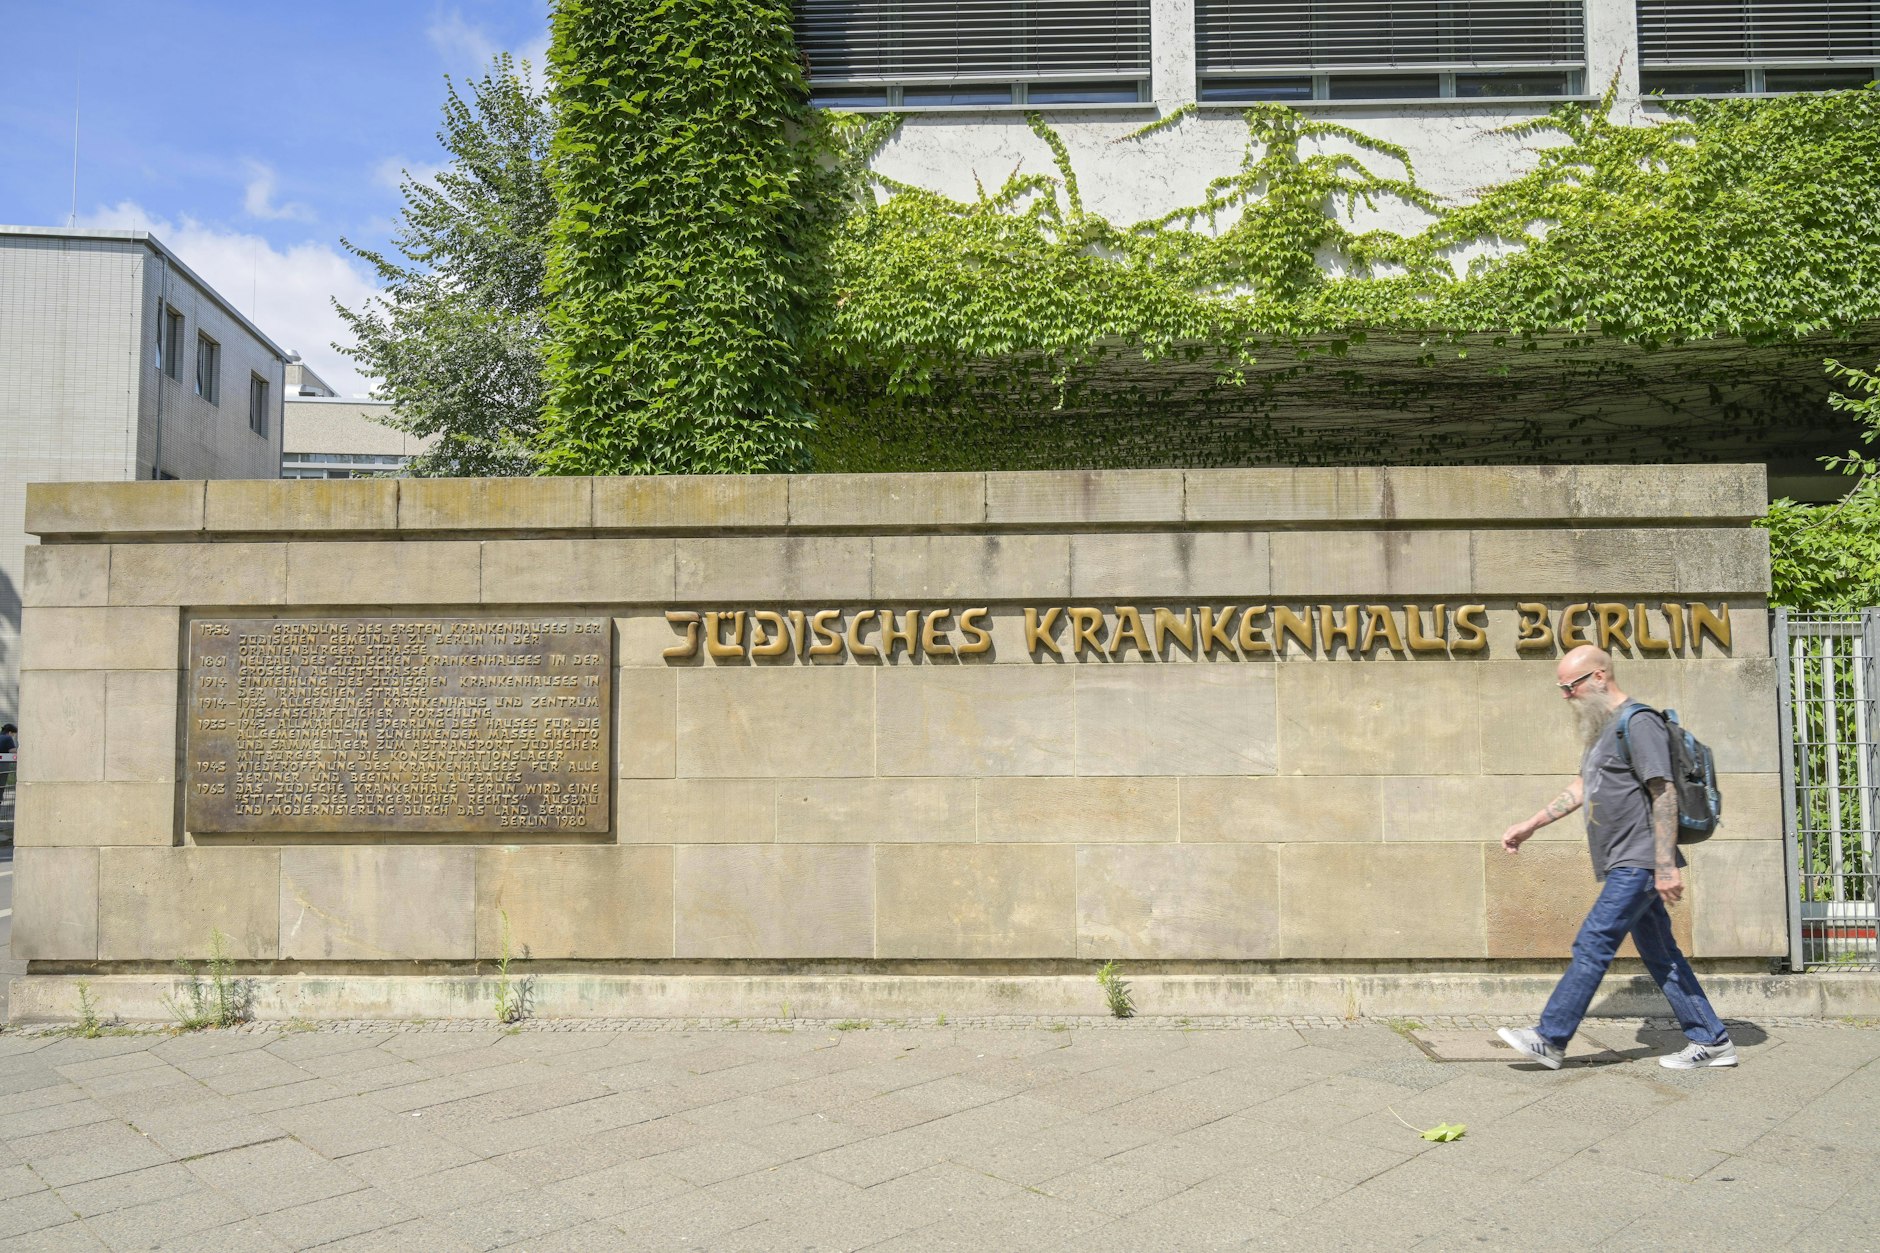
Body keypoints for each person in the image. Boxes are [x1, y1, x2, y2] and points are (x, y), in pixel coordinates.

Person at [1495, 645, 1735, 1070]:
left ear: (1600, 676)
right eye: (1561, 688)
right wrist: (1530, 825)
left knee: (1593, 942)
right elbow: (1581, 788)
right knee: (1662, 955)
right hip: (1627, 860)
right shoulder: (1604, 729)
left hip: (1640, 860)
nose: (1566, 695)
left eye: (1571, 686)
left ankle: (1550, 1039)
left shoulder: (1638, 722)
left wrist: (1664, 867)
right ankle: (1711, 1039)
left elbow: (1663, 793)